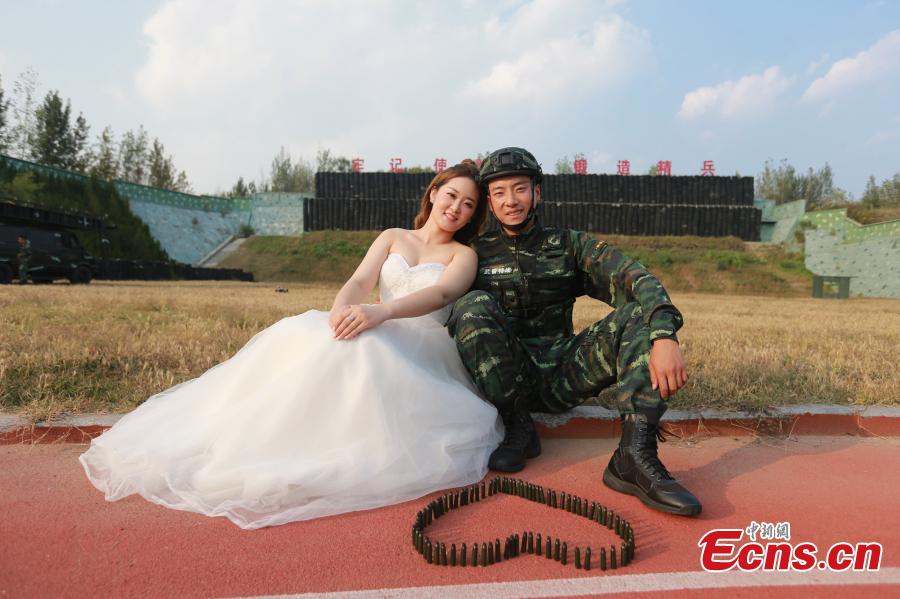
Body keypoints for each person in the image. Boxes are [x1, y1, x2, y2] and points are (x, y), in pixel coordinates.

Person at [80, 159, 503, 530]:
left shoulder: (463, 255)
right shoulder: (394, 236)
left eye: (468, 204)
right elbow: (360, 280)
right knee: (304, 334)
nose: (456, 208)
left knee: (368, 352)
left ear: (473, 215)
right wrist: (340, 310)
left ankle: (338, 449)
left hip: (419, 341)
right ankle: (259, 439)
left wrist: (383, 313)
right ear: (433, 193)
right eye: (451, 195)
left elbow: (442, 293)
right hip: (370, 318)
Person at [448, 147, 701, 516]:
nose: (510, 201)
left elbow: (636, 277)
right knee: (472, 306)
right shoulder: (473, 253)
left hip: (563, 373)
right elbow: (435, 293)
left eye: (519, 189)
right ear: (489, 201)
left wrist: (664, 334)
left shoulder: (569, 245)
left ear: (537, 192)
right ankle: (518, 427)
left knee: (637, 314)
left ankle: (634, 455)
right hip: (505, 381)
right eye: (499, 192)